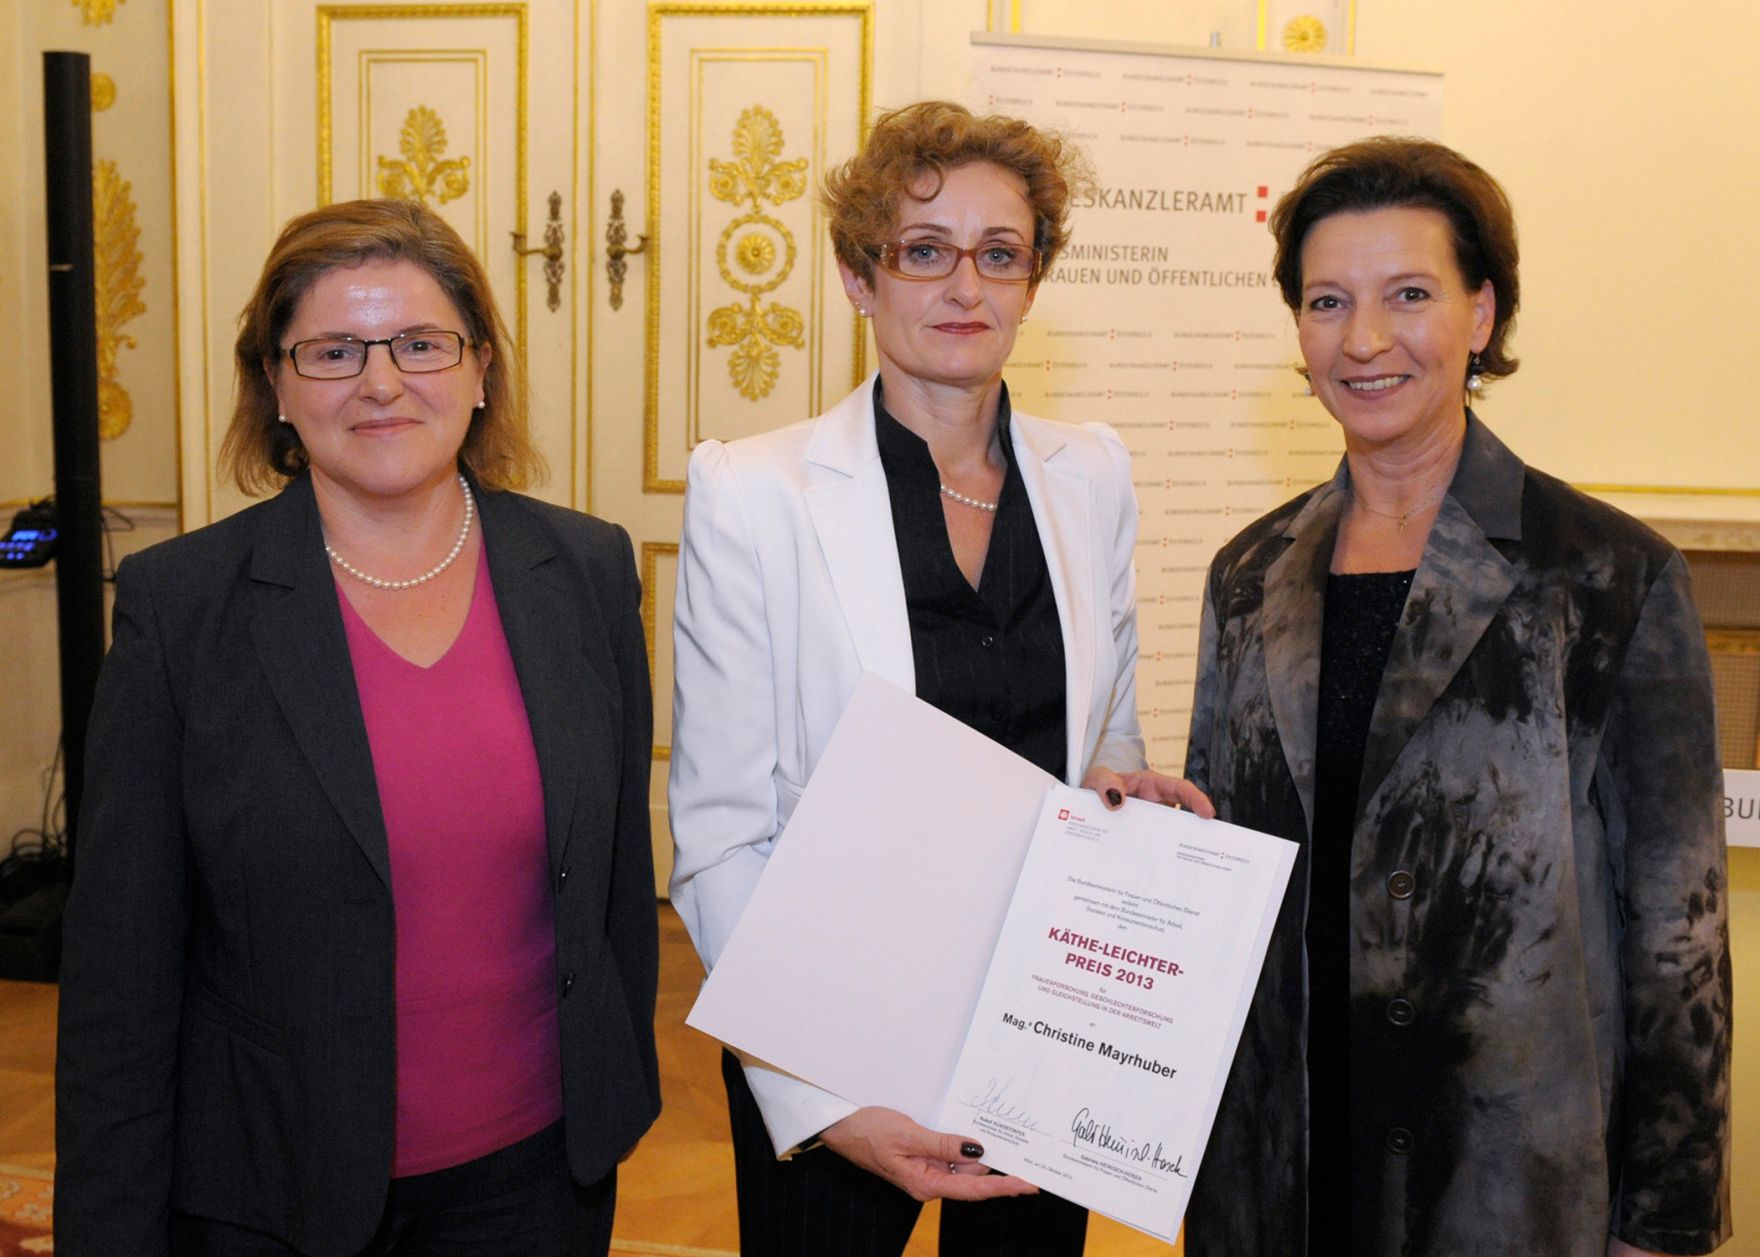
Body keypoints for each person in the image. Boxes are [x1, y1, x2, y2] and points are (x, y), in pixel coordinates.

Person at [55, 199, 660, 1256]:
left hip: (537, 1185)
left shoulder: (586, 571)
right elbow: (121, 977)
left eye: (420, 344)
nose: (381, 382)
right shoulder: (183, 608)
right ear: (276, 387)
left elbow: (613, 894)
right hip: (269, 1190)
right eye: (332, 351)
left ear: (479, 369)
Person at [667, 99, 1212, 1256]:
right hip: (830, 1024)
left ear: (1031, 280)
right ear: (860, 279)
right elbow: (720, 833)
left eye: (998, 254)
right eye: (923, 251)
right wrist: (825, 1098)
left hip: (1045, 1026)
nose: (963, 286)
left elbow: (1105, 737)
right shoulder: (753, 494)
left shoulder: (1092, 475)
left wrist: (1131, 800)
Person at [1183, 136, 1732, 1257]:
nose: (1364, 338)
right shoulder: (1247, 574)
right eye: (1327, 300)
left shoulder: (1606, 575)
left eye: (1410, 294)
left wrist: (1664, 1221)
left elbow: (1678, 931)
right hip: (1275, 1174)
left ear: (1480, 315)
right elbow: (1222, 876)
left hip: (1498, 1183)